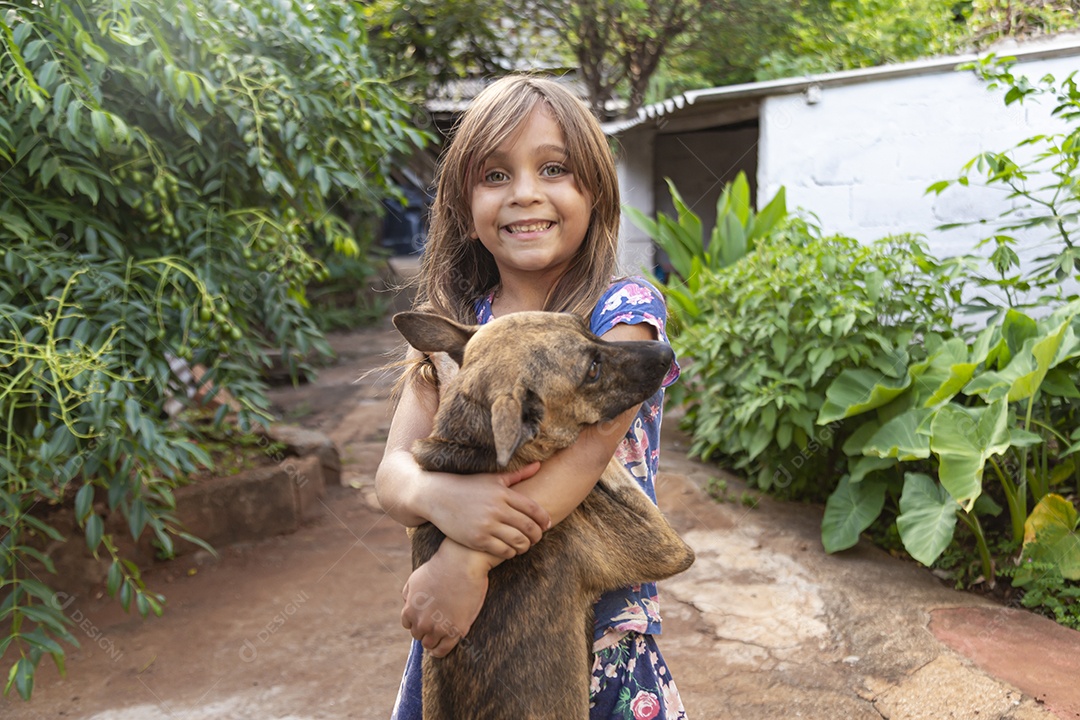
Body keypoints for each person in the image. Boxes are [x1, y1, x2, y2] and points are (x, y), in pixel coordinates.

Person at [375, 74, 687, 719]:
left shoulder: (620, 314)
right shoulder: (458, 326)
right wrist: (438, 497)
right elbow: (393, 472)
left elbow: (588, 455)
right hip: (469, 636)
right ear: (463, 208)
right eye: (495, 175)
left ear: (595, 192)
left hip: (593, 640)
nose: (524, 193)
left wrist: (463, 560)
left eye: (553, 169)